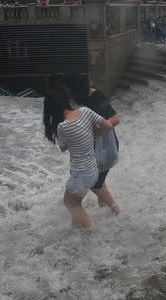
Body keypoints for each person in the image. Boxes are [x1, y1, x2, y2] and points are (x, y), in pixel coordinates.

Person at [43, 75, 113, 230]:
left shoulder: (63, 127)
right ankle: (75, 227)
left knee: (70, 203)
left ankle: (90, 231)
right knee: (76, 203)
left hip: (81, 173)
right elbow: (108, 125)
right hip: (93, 170)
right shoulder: (85, 111)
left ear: (51, 110)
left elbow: (63, 148)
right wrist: (93, 136)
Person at [63, 74, 121, 215]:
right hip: (98, 149)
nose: (66, 93)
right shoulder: (79, 97)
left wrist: (95, 134)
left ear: (73, 88)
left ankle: (116, 211)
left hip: (105, 149)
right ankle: (103, 208)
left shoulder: (95, 96)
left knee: (95, 183)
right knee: (98, 179)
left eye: (67, 89)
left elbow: (115, 119)